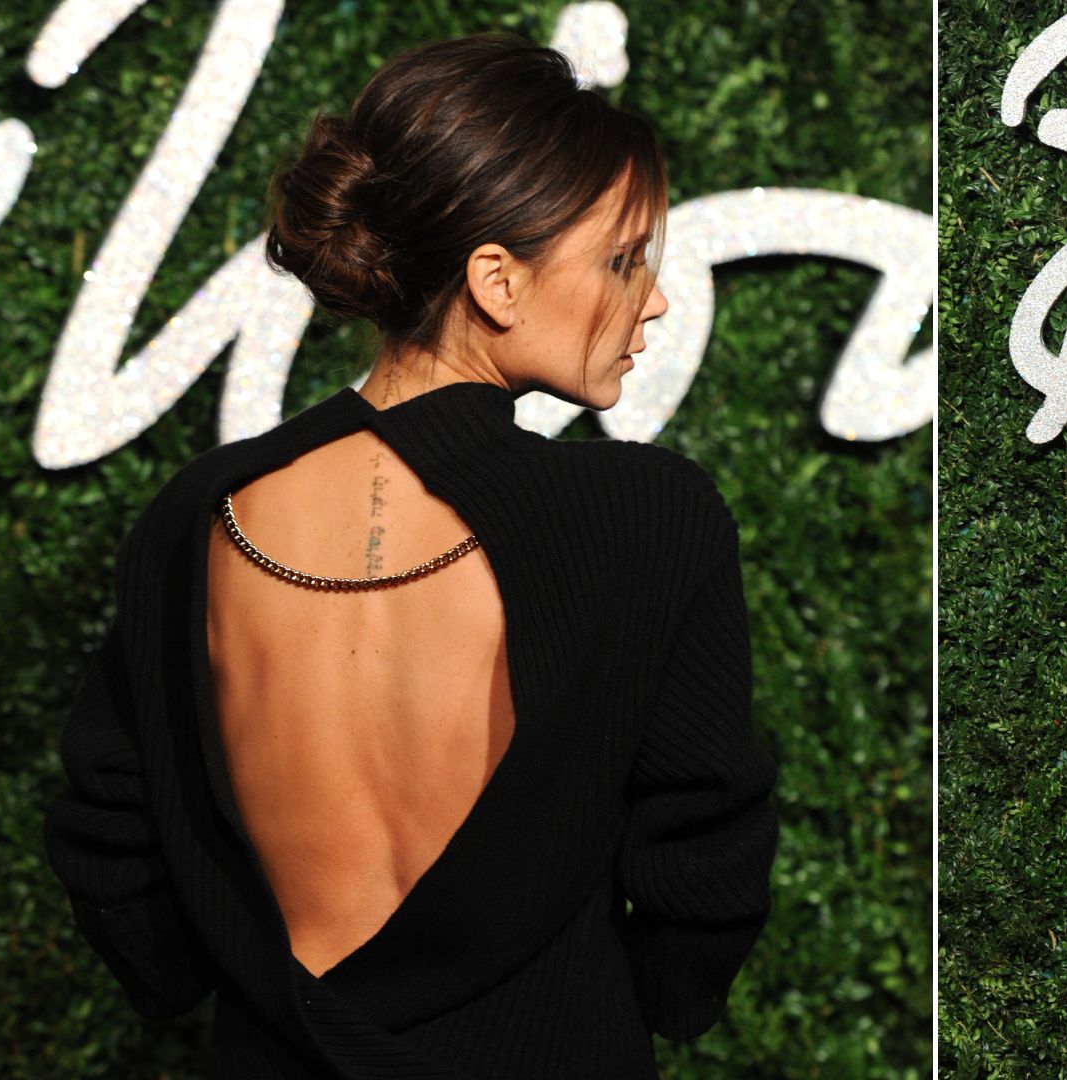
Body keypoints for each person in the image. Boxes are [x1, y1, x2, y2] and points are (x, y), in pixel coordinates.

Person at [41, 33, 778, 1077]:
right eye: (622, 259)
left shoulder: (196, 514)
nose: (652, 298)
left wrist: (184, 974)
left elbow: (108, 832)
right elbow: (707, 848)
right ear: (497, 281)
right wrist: (664, 996)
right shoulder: (647, 516)